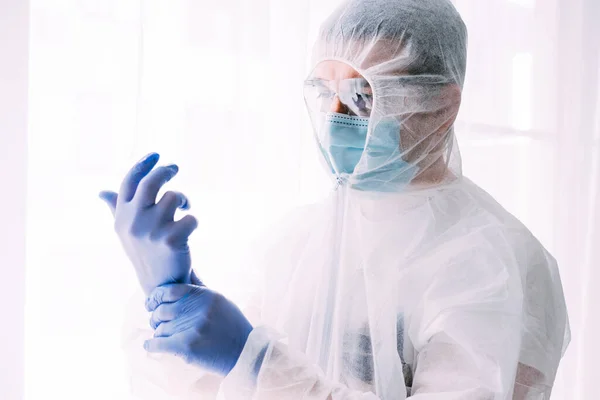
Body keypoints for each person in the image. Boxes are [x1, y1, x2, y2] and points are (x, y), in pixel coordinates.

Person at [100, 0, 570, 398]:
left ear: (441, 107)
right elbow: (207, 387)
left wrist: (258, 359)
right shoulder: (295, 239)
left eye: (364, 95)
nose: (337, 118)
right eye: (327, 93)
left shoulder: (492, 262)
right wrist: (169, 299)